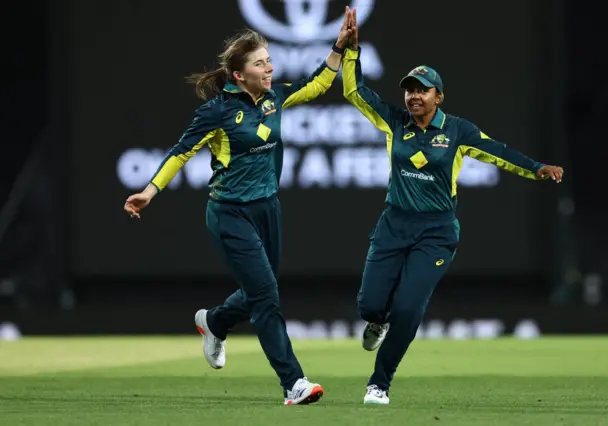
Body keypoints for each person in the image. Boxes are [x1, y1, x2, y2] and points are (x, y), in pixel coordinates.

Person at [123, 8, 355, 406]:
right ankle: (293, 383)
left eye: (269, 61)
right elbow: (181, 152)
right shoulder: (217, 112)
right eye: (260, 63)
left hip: (268, 210)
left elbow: (318, 84)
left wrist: (339, 46)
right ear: (238, 75)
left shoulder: (275, 97)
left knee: (258, 291)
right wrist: (150, 190)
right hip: (230, 213)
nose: (269, 68)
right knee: (266, 297)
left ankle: (213, 321)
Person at [341, 10, 564, 405]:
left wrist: (536, 169)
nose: (413, 96)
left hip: (436, 233)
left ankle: (379, 383)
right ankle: (377, 320)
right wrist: (352, 52)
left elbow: (497, 152)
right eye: (409, 89)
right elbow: (356, 93)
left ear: (438, 96)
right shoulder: (395, 122)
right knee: (370, 305)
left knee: (409, 308)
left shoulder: (457, 130)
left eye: (422, 90)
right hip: (394, 224)